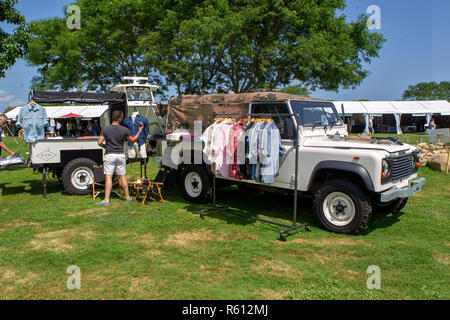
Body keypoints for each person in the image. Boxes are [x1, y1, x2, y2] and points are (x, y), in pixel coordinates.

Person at [96, 110, 144, 205]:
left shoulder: (105, 129)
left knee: (108, 176)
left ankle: (106, 199)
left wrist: (105, 147)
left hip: (109, 155)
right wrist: (140, 131)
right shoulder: (124, 129)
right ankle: (127, 197)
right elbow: (133, 140)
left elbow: (99, 142)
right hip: (120, 155)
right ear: (120, 118)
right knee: (122, 176)